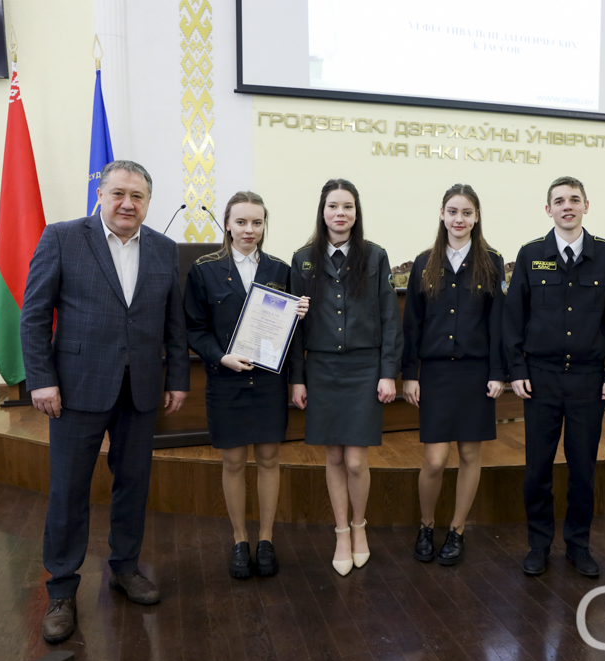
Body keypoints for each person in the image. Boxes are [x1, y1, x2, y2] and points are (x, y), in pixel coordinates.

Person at [20, 160, 190, 643]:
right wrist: (41, 379)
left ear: (148, 202)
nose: (127, 204)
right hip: (75, 388)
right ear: (101, 194)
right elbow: (34, 316)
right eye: (118, 193)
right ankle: (61, 588)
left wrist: (177, 378)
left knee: (133, 484)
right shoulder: (63, 238)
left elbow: (173, 324)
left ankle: (125, 566)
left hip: (140, 391)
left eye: (137, 196)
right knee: (69, 490)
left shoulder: (162, 248)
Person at [503, 175, 605, 578]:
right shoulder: (530, 255)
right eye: (559, 201)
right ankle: (539, 543)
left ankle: (578, 544)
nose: (567, 206)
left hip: (588, 380)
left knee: (582, 468)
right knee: (537, 468)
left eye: (574, 199)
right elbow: (513, 320)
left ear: (586, 206)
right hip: (540, 379)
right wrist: (517, 369)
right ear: (548, 210)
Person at [183, 191, 309, 580]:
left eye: (256, 222)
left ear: (264, 225)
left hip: (270, 383)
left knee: (270, 460)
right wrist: (220, 356)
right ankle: (240, 540)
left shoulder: (280, 269)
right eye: (241, 222)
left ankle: (266, 539)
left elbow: (294, 338)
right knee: (234, 462)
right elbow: (194, 328)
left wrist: (298, 315)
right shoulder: (204, 270)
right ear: (227, 224)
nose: (249, 230)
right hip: (226, 381)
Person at [289, 179, 403, 576]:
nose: (341, 214)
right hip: (321, 369)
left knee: (356, 460)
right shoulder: (303, 258)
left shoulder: (375, 257)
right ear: (322, 211)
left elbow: (391, 319)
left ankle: (360, 527)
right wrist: (297, 379)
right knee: (333, 455)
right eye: (334, 206)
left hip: (363, 369)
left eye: (348, 207)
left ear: (357, 213)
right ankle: (340, 532)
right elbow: (295, 328)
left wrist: (388, 373)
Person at [402, 184, 507, 565]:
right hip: (433, 374)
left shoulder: (492, 262)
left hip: (476, 373)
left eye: (466, 212)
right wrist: (409, 375)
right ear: (442, 215)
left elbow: (498, 323)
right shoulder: (423, 262)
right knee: (433, 460)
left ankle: (457, 529)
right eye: (452, 211)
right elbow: (412, 323)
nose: (459, 219)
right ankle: (426, 525)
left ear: (476, 217)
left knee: (469, 454)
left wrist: (498, 372)